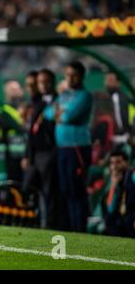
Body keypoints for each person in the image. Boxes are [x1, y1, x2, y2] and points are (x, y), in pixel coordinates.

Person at [55, 61, 93, 232]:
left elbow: (69, 116)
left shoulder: (84, 96)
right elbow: (49, 113)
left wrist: (61, 113)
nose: (70, 78)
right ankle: (71, 227)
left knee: (76, 189)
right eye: (67, 75)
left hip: (77, 147)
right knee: (65, 189)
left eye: (74, 75)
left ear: (81, 76)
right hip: (63, 147)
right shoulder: (64, 95)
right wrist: (61, 112)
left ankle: (80, 228)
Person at [23, 68, 59, 229]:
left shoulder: (57, 101)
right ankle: (33, 220)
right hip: (36, 154)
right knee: (28, 187)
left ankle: (49, 223)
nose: (42, 85)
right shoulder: (39, 103)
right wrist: (28, 155)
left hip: (49, 152)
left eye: (44, 82)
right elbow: (31, 132)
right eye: (40, 82)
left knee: (49, 190)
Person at [0, 80, 25, 182]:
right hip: (13, 151)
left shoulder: (26, 106)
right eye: (13, 89)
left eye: (18, 88)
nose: (17, 91)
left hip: (26, 149)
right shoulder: (4, 110)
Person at [102, 149, 134, 237]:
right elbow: (110, 209)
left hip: (132, 216)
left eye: (118, 162)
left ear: (127, 163)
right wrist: (113, 186)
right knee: (109, 218)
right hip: (122, 219)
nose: (114, 166)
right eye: (112, 163)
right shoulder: (112, 181)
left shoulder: (132, 175)